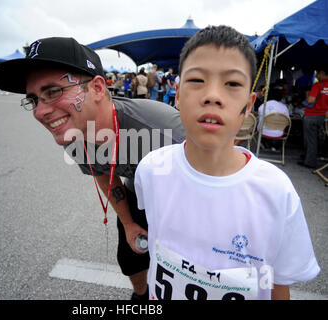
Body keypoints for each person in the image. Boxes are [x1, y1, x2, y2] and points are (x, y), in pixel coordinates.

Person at [0, 37, 186, 300]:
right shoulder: (72, 131)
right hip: (138, 194)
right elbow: (102, 172)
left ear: (98, 88)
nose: (40, 112)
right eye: (34, 100)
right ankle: (141, 296)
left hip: (185, 199)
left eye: (53, 91)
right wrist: (127, 223)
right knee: (130, 259)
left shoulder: (165, 131)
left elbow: (221, 175)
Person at [134, 25, 320, 300]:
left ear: (248, 104)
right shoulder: (151, 170)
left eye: (232, 84)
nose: (213, 95)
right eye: (196, 80)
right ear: (178, 93)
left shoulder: (276, 192)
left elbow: (277, 286)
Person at [298, 65, 328, 169]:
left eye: (318, 73)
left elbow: (310, 100)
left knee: (310, 139)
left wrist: (307, 95)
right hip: (323, 116)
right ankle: (310, 157)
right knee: (318, 138)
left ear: (322, 73)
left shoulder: (318, 85)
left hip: (312, 115)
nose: (316, 75)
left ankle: (309, 161)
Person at [257, 86, 290, 151]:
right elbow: (287, 122)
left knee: (260, 123)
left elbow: (259, 116)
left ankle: (264, 143)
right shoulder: (284, 107)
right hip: (279, 132)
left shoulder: (263, 105)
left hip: (263, 131)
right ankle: (275, 146)